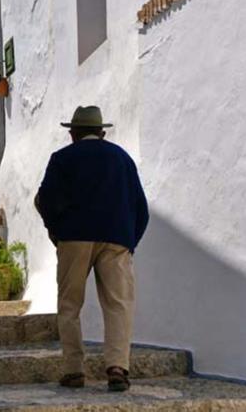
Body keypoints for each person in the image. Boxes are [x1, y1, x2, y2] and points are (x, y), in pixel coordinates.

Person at [35, 105, 149, 392]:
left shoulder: (62, 158)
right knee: (118, 304)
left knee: (70, 304)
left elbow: (45, 200)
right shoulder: (122, 159)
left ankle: (74, 370)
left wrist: (56, 232)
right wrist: (129, 242)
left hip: (74, 237)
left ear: (72, 134)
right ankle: (117, 367)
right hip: (116, 240)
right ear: (101, 132)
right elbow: (141, 208)